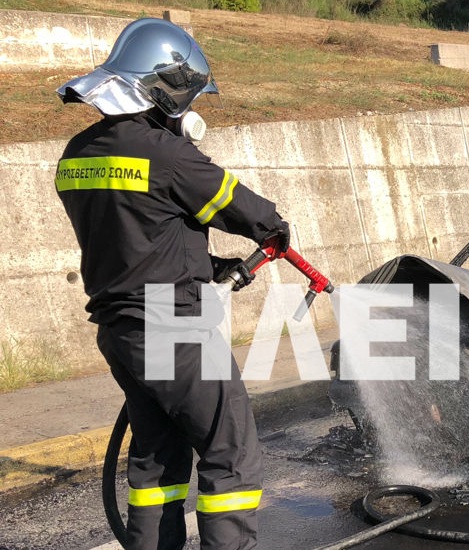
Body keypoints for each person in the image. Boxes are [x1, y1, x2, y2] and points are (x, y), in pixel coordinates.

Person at [54, 18, 292, 549]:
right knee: (229, 453)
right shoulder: (168, 153)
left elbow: (136, 235)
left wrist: (210, 265)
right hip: (172, 325)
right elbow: (255, 214)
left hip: (120, 329)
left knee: (157, 459)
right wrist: (276, 230)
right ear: (161, 87)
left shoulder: (77, 155)